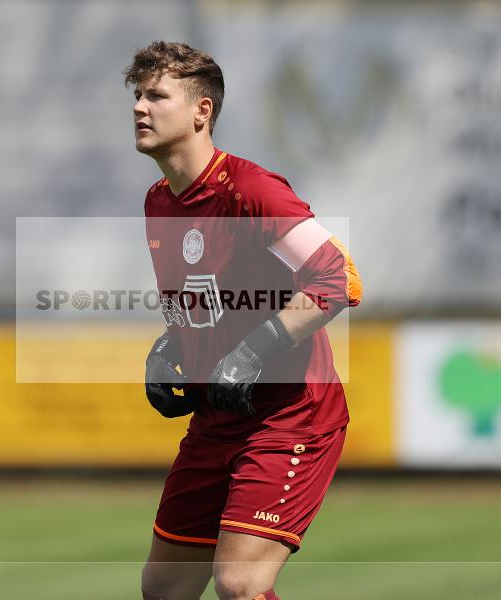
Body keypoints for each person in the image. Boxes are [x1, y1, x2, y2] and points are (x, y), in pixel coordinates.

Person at [126, 41, 362, 600]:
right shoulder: (159, 201)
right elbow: (205, 302)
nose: (140, 107)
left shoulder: (253, 191)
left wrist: (254, 351)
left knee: (240, 584)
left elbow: (338, 280)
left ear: (201, 112)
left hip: (290, 416)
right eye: (137, 95)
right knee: (164, 588)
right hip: (216, 417)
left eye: (156, 95)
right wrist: (168, 349)